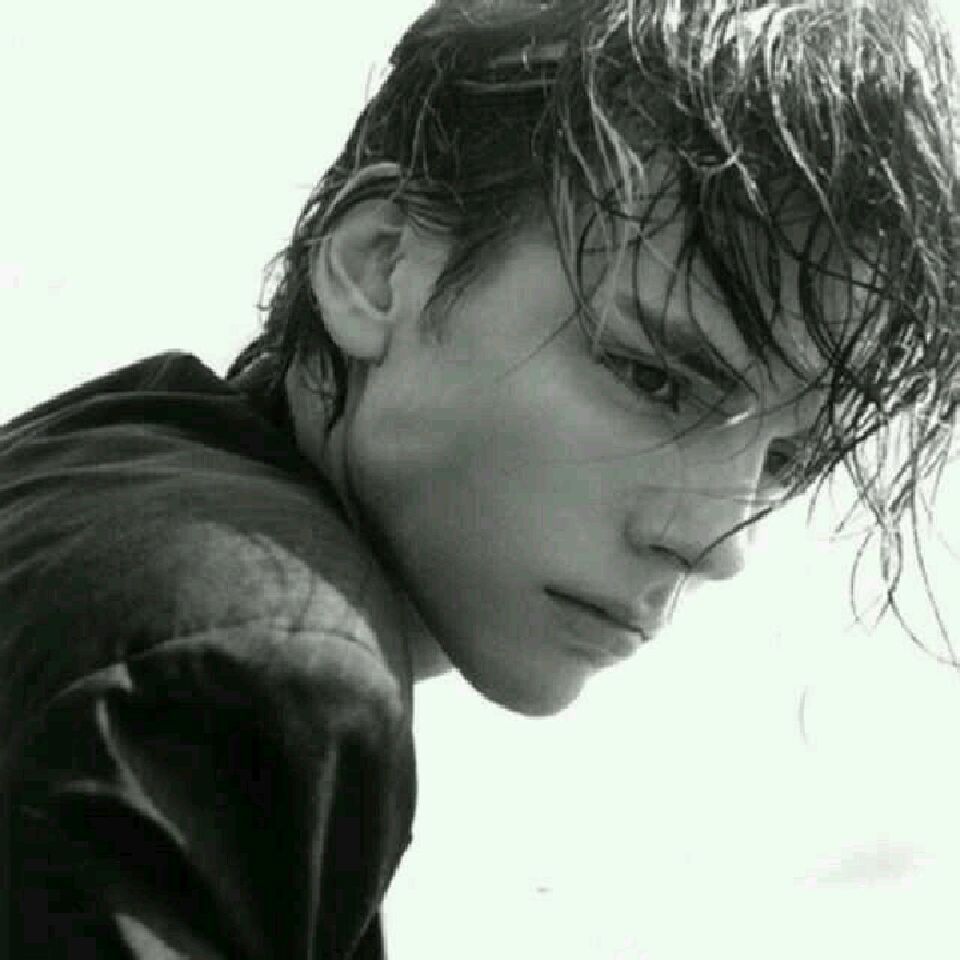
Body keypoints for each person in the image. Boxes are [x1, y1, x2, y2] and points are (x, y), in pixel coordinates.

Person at [2, 0, 957, 956]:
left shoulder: (102, 481)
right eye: (653, 377)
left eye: (786, 458)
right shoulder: (247, 670)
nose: (718, 542)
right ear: (380, 268)